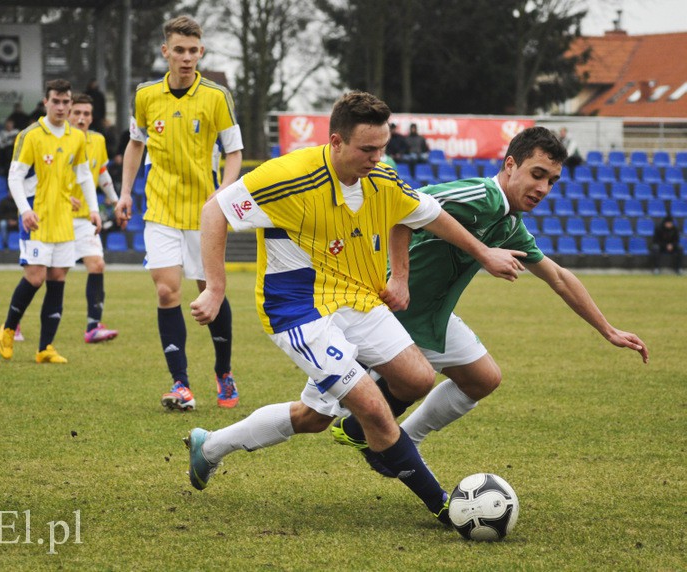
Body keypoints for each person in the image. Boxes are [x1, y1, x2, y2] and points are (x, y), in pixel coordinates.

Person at [232, 126, 648, 483]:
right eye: (537, 174)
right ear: (509, 165)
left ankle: (400, 443)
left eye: (552, 181)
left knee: (483, 378)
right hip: (381, 315)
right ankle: (214, 445)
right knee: (312, 418)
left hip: (431, 320)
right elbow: (401, 211)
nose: (543, 188)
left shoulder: (509, 226)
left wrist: (607, 330)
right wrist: (400, 277)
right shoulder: (474, 196)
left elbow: (557, 276)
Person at [184, 91, 526, 523]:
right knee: (374, 410)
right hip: (300, 310)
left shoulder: (381, 177)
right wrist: (215, 288)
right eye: (367, 149)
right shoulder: (290, 176)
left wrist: (482, 254)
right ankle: (445, 507)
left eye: (383, 147)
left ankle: (210, 446)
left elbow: (426, 214)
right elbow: (214, 210)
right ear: (336, 142)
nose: (377, 157)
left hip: (358, 299)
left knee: (404, 383)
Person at [116, 15, 244, 410]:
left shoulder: (216, 97)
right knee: (166, 289)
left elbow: (233, 152)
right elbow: (136, 144)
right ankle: (181, 384)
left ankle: (223, 372)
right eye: (179, 50)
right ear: (165, 52)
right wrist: (125, 192)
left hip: (204, 213)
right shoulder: (146, 95)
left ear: (200, 52)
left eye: (193, 51)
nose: (186, 58)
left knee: (209, 294)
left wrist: (222, 196)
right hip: (160, 210)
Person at [0, 78, 102, 364]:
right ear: (46, 102)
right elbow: (15, 176)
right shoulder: (31, 135)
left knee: (57, 279)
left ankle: (46, 347)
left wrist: (94, 209)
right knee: (35, 277)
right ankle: (7, 328)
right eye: (56, 101)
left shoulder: (76, 138)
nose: (61, 106)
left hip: (64, 220)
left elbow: (83, 176)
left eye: (66, 101)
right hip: (36, 217)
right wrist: (24, 211)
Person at [67, 92, 120, 342]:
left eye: (86, 114)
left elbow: (101, 173)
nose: (81, 118)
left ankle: (93, 326)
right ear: (68, 114)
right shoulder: (59, 141)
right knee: (41, 276)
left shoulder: (97, 140)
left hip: (85, 217)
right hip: (56, 216)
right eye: (76, 113)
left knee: (97, 265)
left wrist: (116, 200)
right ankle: (15, 323)